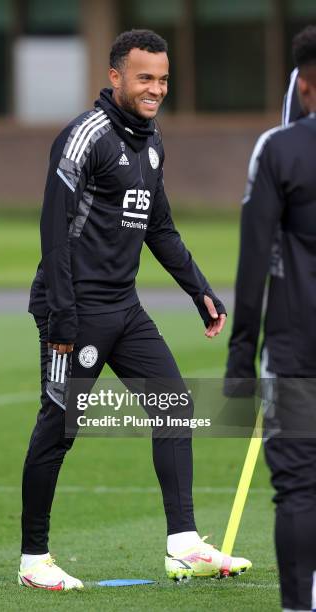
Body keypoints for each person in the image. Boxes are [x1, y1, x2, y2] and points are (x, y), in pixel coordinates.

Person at [20, 29, 251, 590]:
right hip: (72, 309)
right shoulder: (85, 138)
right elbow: (53, 231)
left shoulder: (151, 144)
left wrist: (200, 289)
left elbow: (160, 228)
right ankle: (33, 560)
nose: (155, 89)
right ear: (115, 76)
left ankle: (183, 545)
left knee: (174, 406)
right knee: (59, 426)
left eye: (163, 79)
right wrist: (63, 316)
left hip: (124, 308)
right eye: (144, 77)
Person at [225, 26, 316, 612]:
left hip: (293, 350)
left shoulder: (279, 149)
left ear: (303, 85)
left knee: (299, 490)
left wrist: (238, 362)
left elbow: (254, 258)